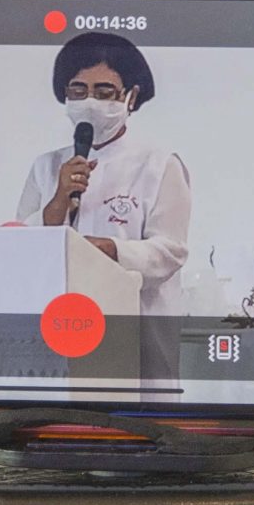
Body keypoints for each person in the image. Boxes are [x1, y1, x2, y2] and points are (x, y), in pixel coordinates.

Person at [17, 34, 191, 376]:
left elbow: (170, 252)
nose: (89, 102)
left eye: (104, 91)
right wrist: (59, 201)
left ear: (131, 96)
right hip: (58, 326)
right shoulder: (46, 166)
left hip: (136, 330)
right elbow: (21, 247)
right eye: (78, 90)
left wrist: (108, 250)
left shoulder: (158, 165)